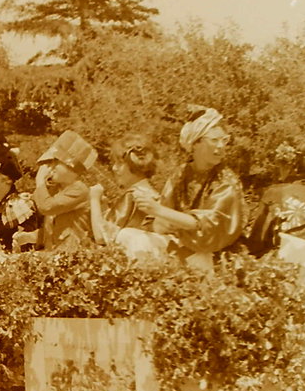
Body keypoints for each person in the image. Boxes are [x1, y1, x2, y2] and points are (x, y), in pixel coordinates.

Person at [133, 106, 246, 269]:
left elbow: (209, 227)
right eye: (214, 140)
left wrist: (158, 211)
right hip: (182, 248)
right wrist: (161, 220)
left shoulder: (226, 181)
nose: (221, 146)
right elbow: (161, 221)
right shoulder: (180, 174)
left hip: (218, 260)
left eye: (224, 140)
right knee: (131, 237)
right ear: (195, 144)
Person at [89, 133, 168, 259]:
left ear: (134, 165)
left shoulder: (131, 196)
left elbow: (102, 236)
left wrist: (94, 198)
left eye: (119, 164)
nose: (114, 168)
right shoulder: (153, 195)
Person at [29, 130, 96, 252]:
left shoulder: (79, 190)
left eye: (56, 162)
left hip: (75, 255)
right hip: (57, 254)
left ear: (71, 167)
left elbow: (47, 207)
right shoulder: (57, 189)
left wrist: (39, 181)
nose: (51, 167)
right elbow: (52, 228)